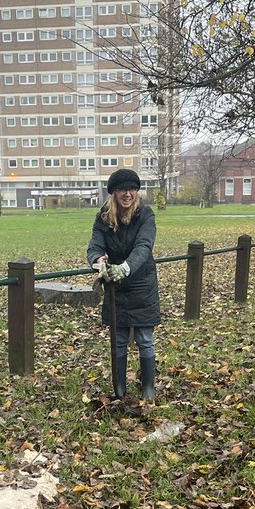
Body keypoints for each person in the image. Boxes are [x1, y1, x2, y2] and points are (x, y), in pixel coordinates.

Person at [87, 168, 161, 402]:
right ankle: (119, 388)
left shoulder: (145, 215)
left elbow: (144, 246)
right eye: (122, 189)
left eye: (131, 189)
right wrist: (98, 260)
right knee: (118, 340)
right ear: (114, 193)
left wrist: (126, 268)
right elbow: (95, 245)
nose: (127, 193)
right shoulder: (103, 217)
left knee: (144, 339)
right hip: (115, 288)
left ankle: (148, 388)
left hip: (142, 285)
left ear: (137, 192)